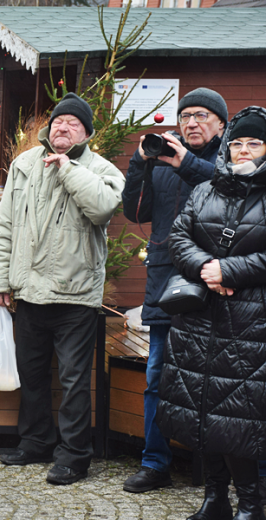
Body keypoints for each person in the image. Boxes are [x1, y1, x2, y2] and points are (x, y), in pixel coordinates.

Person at [0, 93, 124, 485]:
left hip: (75, 296)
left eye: (73, 124)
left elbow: (102, 208)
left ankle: (74, 456)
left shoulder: (102, 169)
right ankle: (34, 442)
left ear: (86, 133)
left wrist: (67, 168)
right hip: (28, 291)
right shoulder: (24, 164)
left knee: (74, 379)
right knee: (31, 373)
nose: (62, 127)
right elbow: (6, 226)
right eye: (58, 121)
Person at [157, 106, 266, 520]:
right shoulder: (209, 187)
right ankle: (215, 498)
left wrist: (230, 269)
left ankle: (252, 506)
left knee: (238, 416)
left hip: (251, 323)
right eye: (237, 143)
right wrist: (208, 268)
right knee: (202, 410)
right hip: (200, 319)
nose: (242, 150)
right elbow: (179, 235)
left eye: (253, 143)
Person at [121, 88, 227, 493]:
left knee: (221, 381)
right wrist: (140, 163)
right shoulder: (165, 161)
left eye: (201, 115)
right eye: (185, 117)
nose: (191, 123)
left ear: (220, 122)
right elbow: (136, 212)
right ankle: (155, 462)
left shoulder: (230, 157)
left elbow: (228, 187)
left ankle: (221, 468)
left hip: (217, 284)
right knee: (157, 378)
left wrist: (187, 163)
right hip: (166, 284)